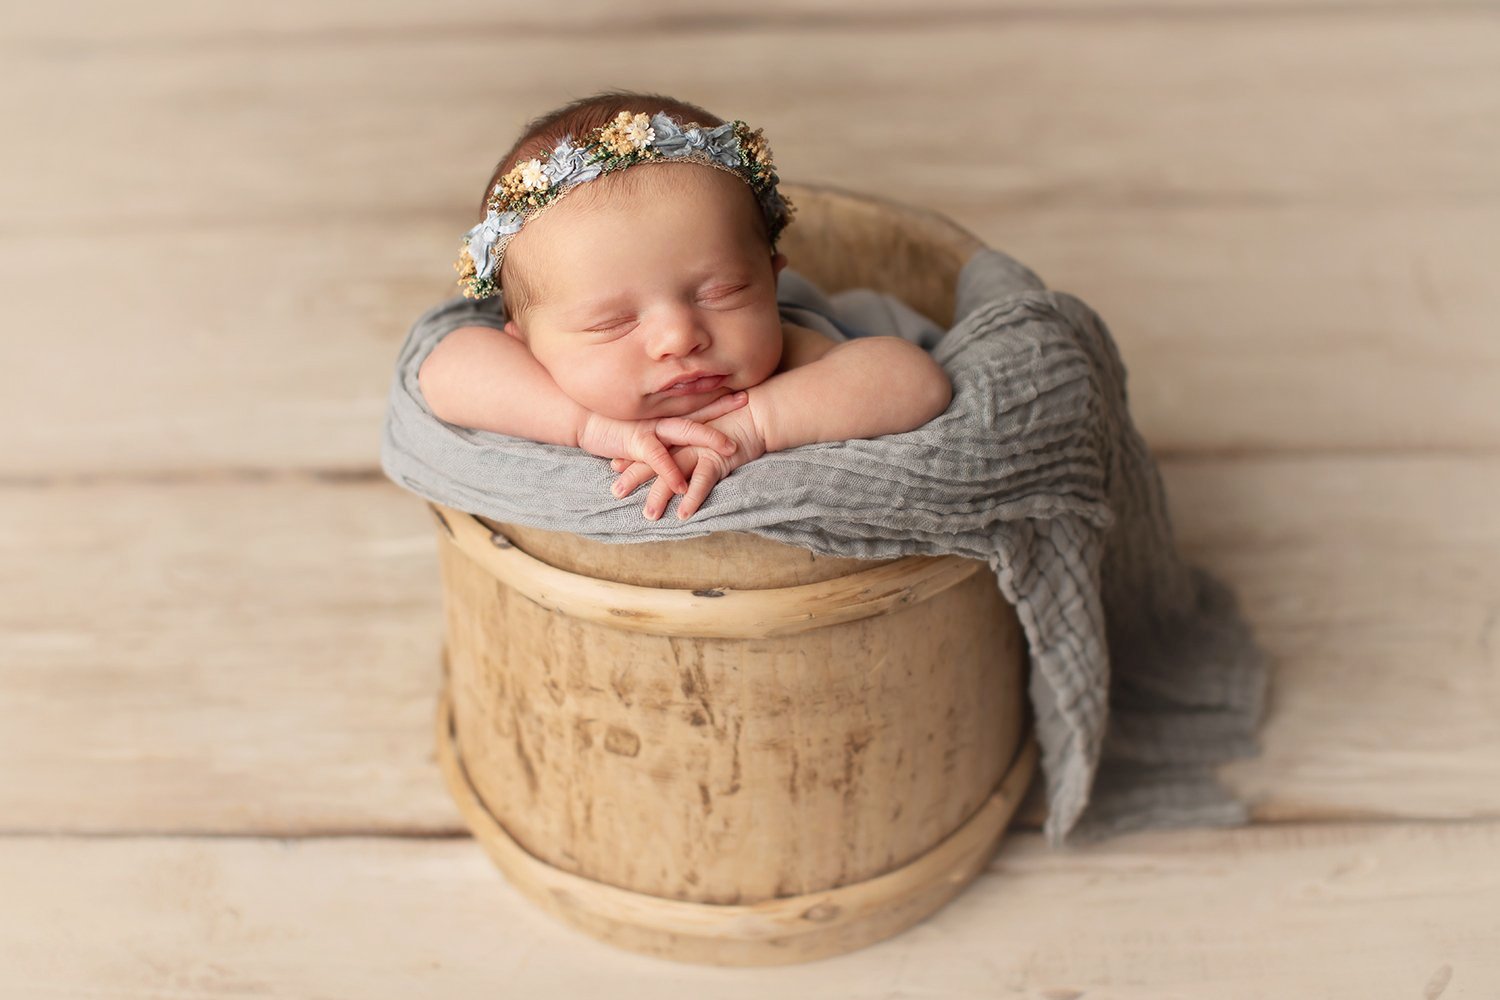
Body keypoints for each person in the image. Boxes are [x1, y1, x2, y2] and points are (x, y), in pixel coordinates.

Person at [418, 90, 952, 522]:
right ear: (527, 344)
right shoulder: (545, 378)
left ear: (771, 281)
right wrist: (592, 427)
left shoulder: (792, 352)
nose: (680, 337)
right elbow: (444, 371)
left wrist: (752, 428)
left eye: (723, 293)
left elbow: (915, 382)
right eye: (613, 322)